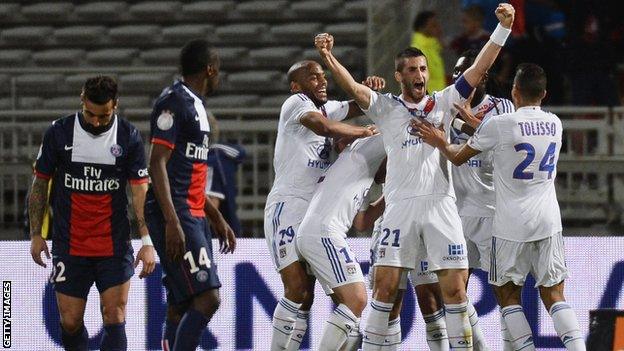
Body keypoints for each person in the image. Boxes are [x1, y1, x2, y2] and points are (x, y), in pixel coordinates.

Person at [315, 3, 514, 349]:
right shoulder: (386, 107)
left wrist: (503, 29)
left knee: (454, 291)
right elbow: (353, 89)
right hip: (400, 208)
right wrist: (328, 56)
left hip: (441, 206)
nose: (419, 74)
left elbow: (482, 65)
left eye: (422, 68)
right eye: (411, 69)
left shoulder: (445, 101)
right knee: (386, 289)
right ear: (399, 76)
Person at [416, 63, 585, 351]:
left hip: (509, 224)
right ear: (543, 94)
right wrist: (471, 124)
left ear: (514, 91)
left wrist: (441, 142)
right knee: (555, 295)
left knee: (507, 295)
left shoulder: (500, 124)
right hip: (549, 221)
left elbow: (459, 156)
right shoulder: (555, 123)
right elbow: (509, 138)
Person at [29, 75, 156, 351]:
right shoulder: (59, 133)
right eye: (90, 114)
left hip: (114, 244)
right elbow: (40, 184)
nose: (96, 121)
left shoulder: (128, 137)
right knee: (71, 321)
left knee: (115, 315)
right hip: (70, 244)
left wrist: (147, 241)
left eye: (104, 116)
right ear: (81, 101)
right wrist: (35, 233)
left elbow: (139, 192)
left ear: (116, 106)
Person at [265, 59, 382, 351]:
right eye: (313, 77)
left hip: (314, 212)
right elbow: (322, 127)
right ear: (297, 85)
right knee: (296, 290)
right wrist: (360, 133)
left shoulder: (327, 107)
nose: (322, 81)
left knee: (311, 296)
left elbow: (358, 106)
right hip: (288, 206)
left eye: (323, 76)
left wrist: (370, 90)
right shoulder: (295, 104)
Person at [145, 39, 236, 351]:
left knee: (181, 302)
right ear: (210, 69)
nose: (219, 74)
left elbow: (193, 173)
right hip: (176, 212)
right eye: (218, 68)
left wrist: (217, 217)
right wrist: (172, 221)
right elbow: (156, 162)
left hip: (193, 211)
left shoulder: (196, 104)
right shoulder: (173, 103)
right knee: (208, 298)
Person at [296, 134, 386, 350]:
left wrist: (394, 193)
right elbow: (394, 130)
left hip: (318, 233)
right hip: (324, 233)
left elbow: (361, 221)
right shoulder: (365, 150)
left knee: (351, 321)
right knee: (357, 299)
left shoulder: (358, 171)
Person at [411, 11, 446, 93]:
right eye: (433, 25)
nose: (438, 28)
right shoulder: (418, 51)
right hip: (428, 100)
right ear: (422, 28)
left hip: (437, 98)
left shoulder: (432, 47)